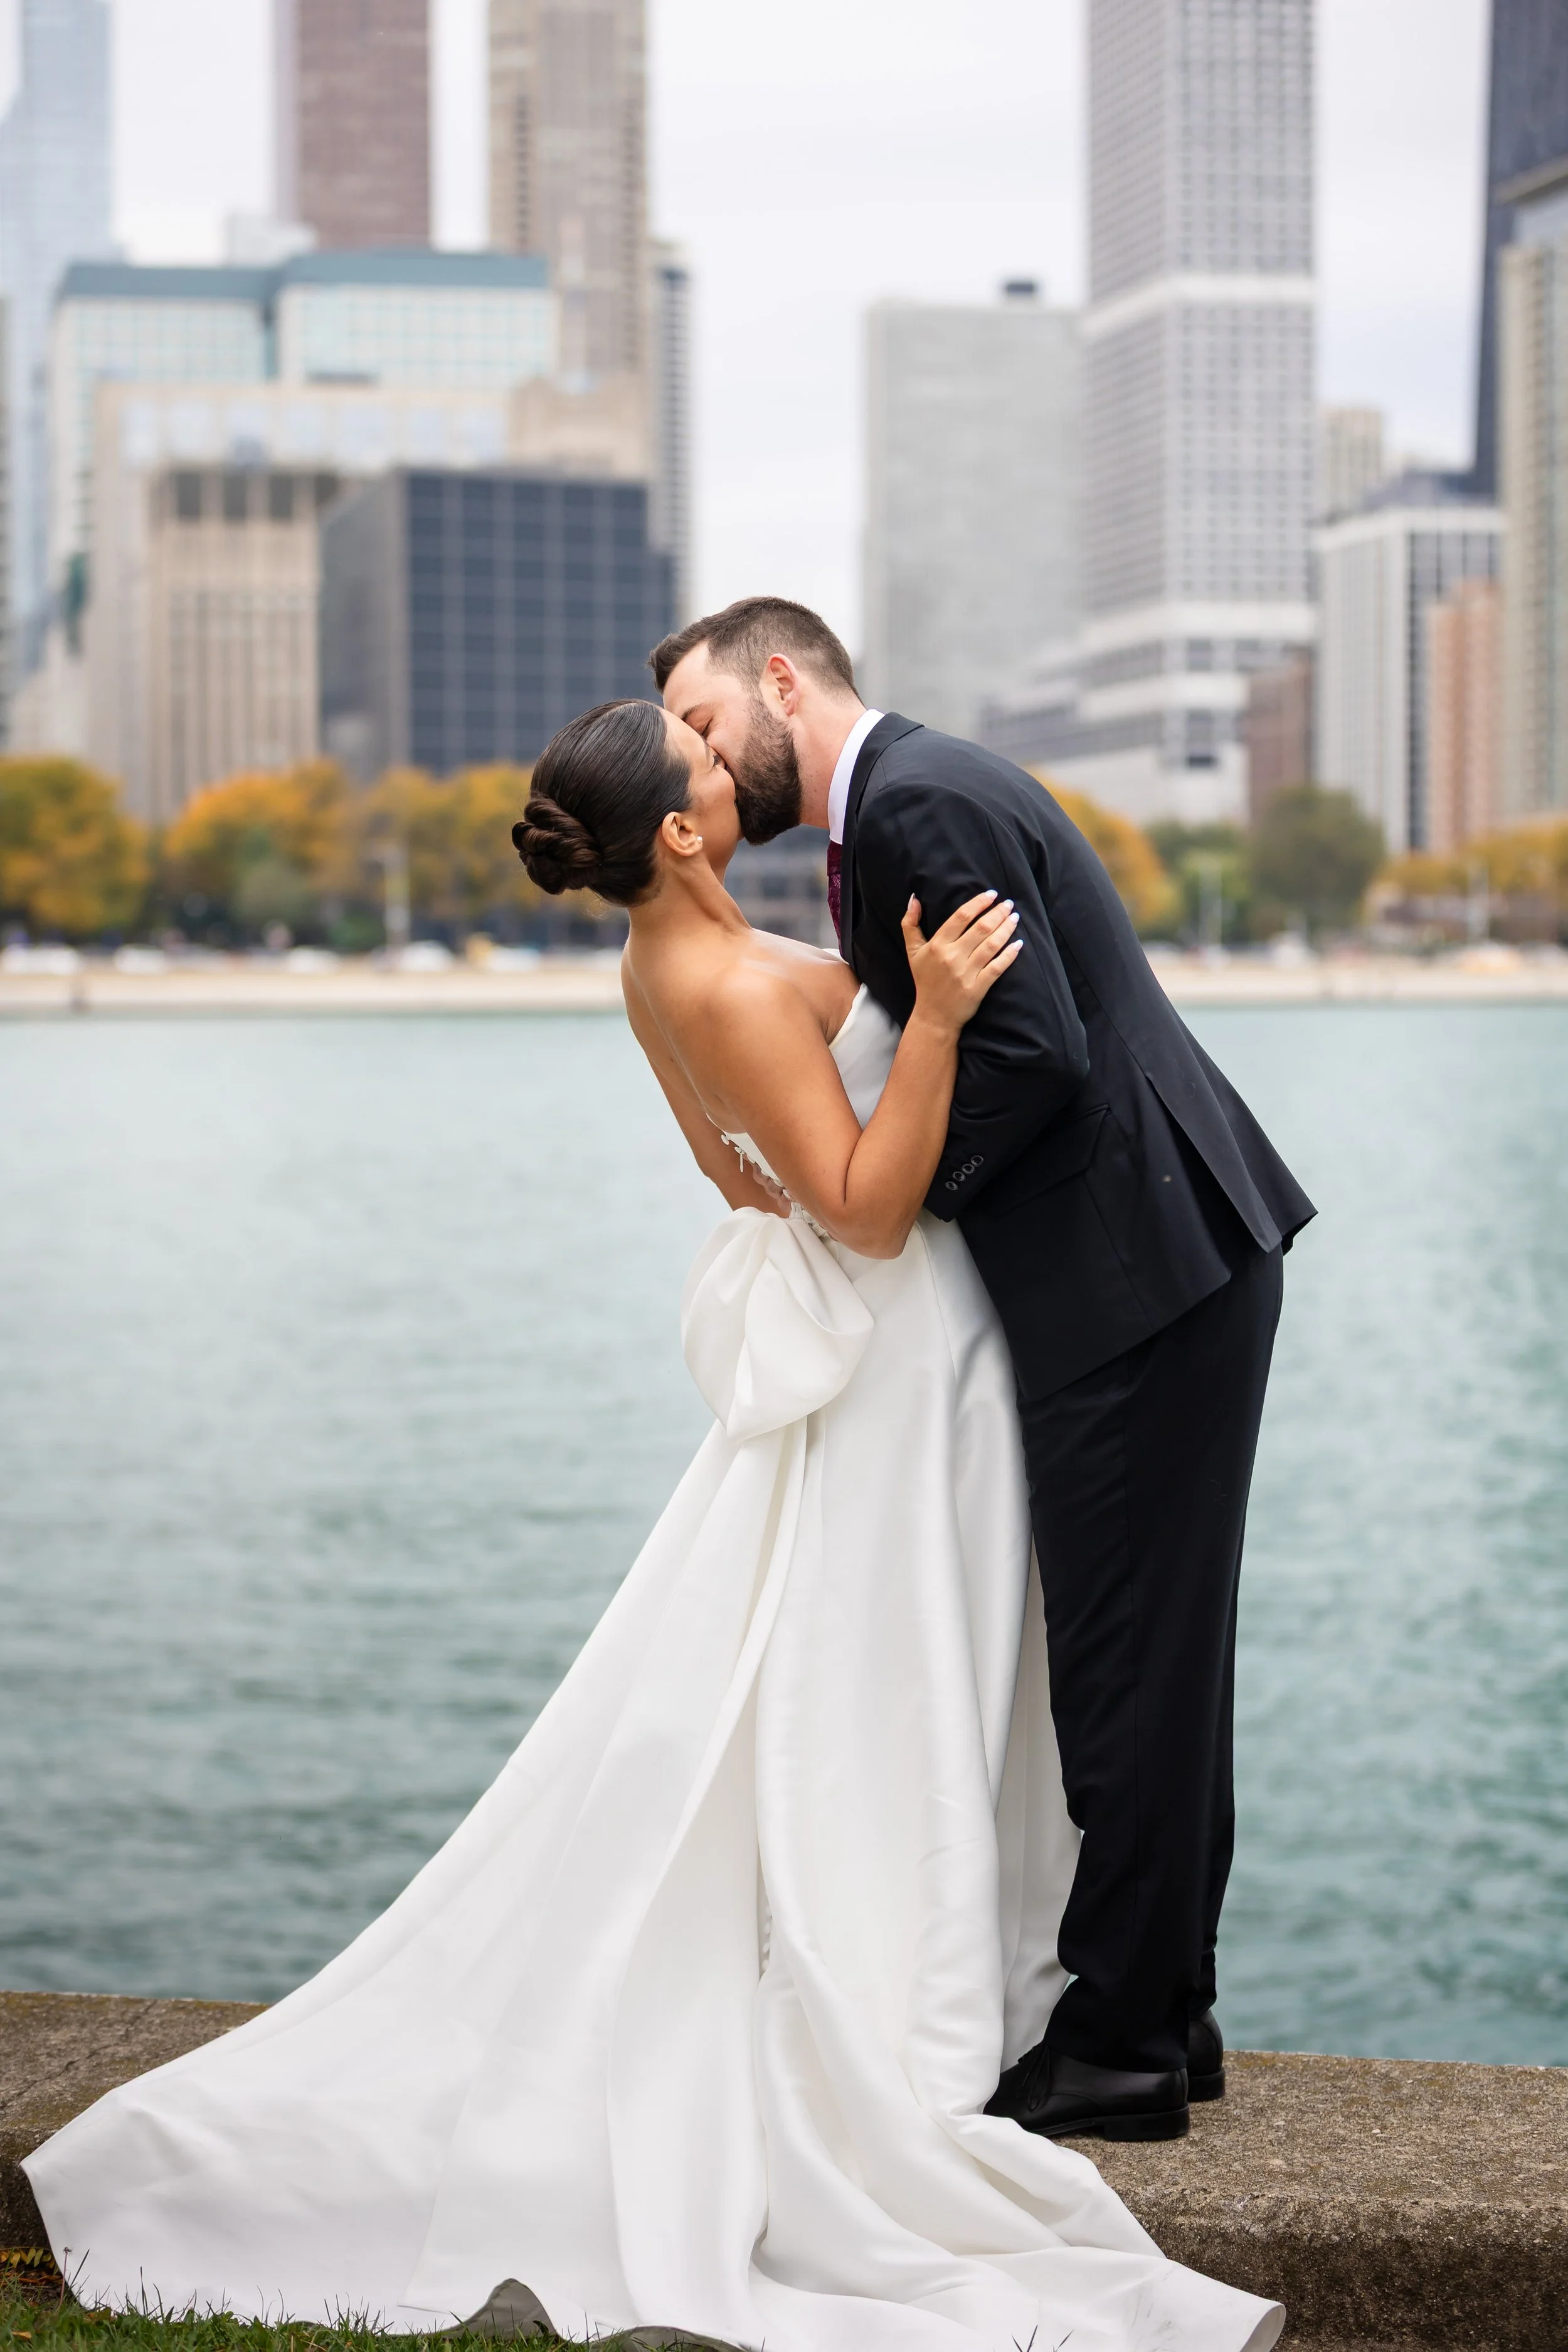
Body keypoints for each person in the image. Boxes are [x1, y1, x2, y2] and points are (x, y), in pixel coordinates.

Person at [23, 696, 1285, 2352]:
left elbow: (731, 1172)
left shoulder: (665, 959)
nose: (722, 755)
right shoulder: (710, 974)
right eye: (695, 758)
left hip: (900, 1335)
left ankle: (1030, 1968)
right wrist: (934, 1025)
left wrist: (848, 1096)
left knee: (882, 1660)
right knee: (909, 1663)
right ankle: (931, 1985)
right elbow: (863, 1206)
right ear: (680, 832)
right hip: (912, 1347)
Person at [654, 598, 1315, 2141]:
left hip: (1135, 1271)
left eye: (697, 720)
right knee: (1147, 1661)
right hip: (1150, 1262)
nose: (694, 758)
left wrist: (905, 1213)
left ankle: (1125, 2045)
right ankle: (1166, 2015)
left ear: (775, 678)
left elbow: (1031, 1054)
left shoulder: (917, 802)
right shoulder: (896, 807)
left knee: (1121, 1667)